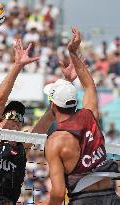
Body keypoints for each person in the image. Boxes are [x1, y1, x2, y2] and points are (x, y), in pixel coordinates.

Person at [40, 28, 120, 205]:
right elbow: (90, 86)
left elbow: (59, 193)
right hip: (110, 197)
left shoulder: (55, 141)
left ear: (53, 105)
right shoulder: (89, 116)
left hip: (83, 200)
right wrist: (73, 53)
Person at [0, 39, 54, 205]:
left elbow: (51, 115)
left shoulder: (23, 147)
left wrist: (65, 85)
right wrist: (18, 66)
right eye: (12, 116)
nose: (17, 121)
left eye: (20, 118)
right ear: (0, 123)